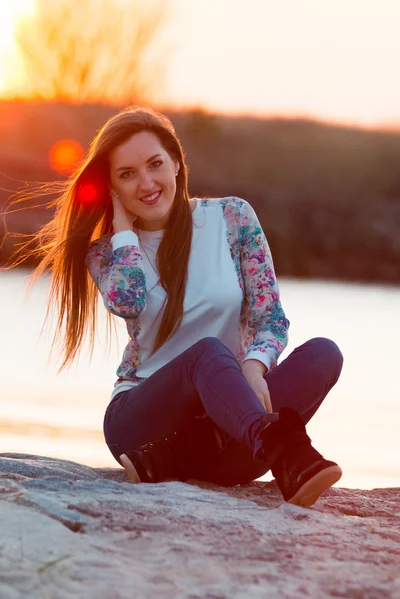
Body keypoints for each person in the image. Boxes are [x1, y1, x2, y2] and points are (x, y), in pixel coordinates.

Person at [11, 105, 344, 507]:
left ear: (176, 164)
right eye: (127, 174)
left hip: (226, 432)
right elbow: (128, 301)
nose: (146, 182)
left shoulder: (232, 217)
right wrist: (123, 233)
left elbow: (269, 318)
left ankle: (181, 456)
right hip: (144, 425)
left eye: (155, 164)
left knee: (324, 353)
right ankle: (280, 448)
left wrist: (255, 366)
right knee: (207, 352)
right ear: (112, 187)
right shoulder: (107, 253)